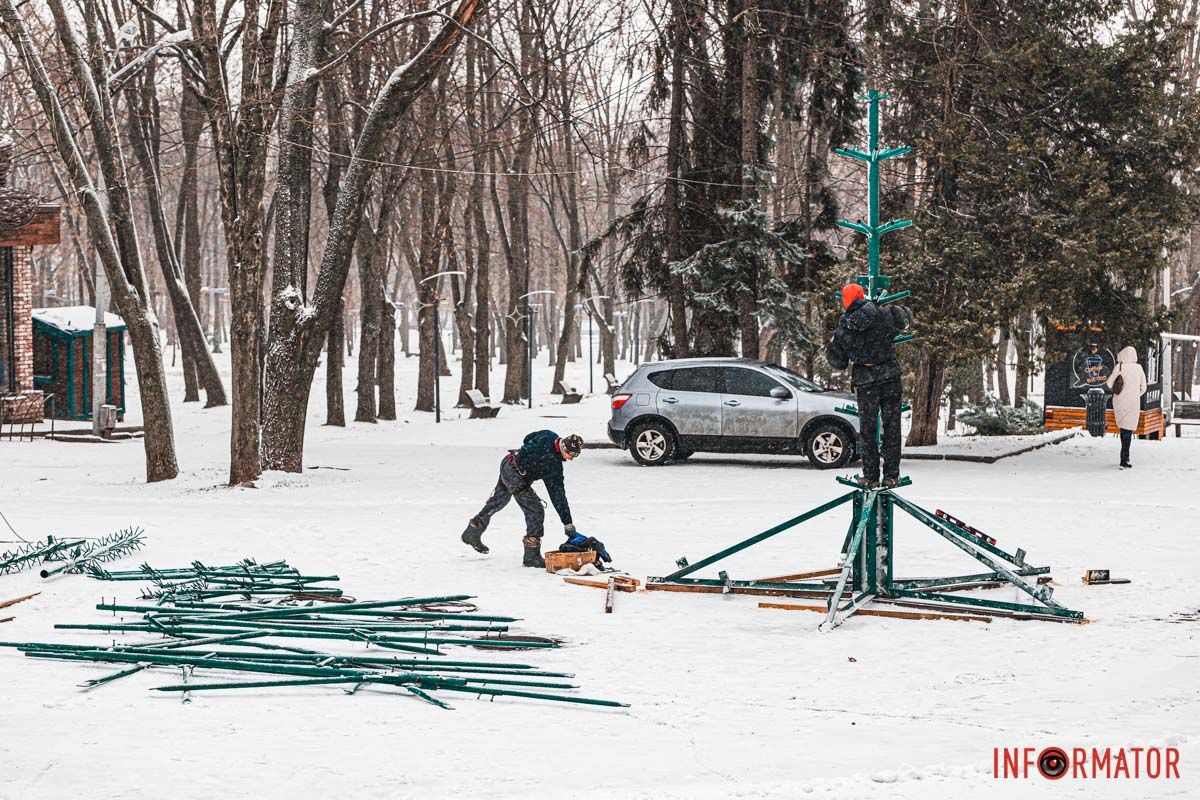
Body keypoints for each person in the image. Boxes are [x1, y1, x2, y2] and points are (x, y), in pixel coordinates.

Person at [826, 283, 913, 489]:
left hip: (866, 382)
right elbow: (905, 317)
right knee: (892, 427)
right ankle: (892, 475)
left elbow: (837, 362)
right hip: (890, 377)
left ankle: (871, 477)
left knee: (868, 430)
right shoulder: (884, 314)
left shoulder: (843, 329)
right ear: (862, 297)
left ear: (846, 302)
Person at [462, 431, 584, 567]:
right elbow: (557, 495)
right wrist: (567, 523)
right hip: (516, 475)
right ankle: (531, 555)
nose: (571, 459)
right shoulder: (553, 465)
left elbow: (528, 438)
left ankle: (472, 531)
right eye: (571, 455)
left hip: (508, 461)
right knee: (535, 510)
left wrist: (567, 522)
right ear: (564, 448)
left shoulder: (549, 435)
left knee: (499, 500)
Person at [1106, 346, 1147, 469]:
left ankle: (1124, 458)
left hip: (1119, 401)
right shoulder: (1139, 368)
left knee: (1124, 429)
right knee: (1127, 430)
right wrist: (1134, 394)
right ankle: (1125, 458)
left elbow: (1109, 383)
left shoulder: (1119, 367)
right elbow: (1143, 388)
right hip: (1133, 402)